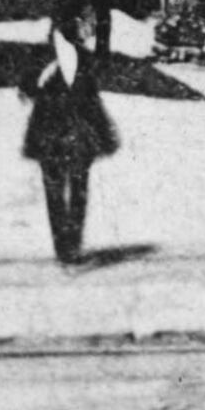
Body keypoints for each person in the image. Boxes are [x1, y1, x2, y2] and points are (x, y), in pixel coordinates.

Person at [20, 14, 119, 265]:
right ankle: (65, 247)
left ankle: (71, 245)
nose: (86, 31)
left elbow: (92, 99)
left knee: (74, 191)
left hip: (73, 135)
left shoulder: (81, 58)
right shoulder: (44, 57)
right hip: (54, 133)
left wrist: (102, 132)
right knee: (61, 192)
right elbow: (26, 88)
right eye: (81, 26)